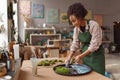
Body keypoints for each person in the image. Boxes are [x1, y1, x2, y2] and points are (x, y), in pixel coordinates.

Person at [65, 2, 105, 75]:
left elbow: (94, 45)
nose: (73, 24)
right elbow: (75, 43)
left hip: (96, 57)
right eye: (71, 22)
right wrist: (69, 56)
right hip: (85, 57)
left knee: (98, 76)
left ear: (80, 17)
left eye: (74, 21)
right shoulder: (76, 29)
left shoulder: (93, 25)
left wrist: (80, 56)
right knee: (87, 75)